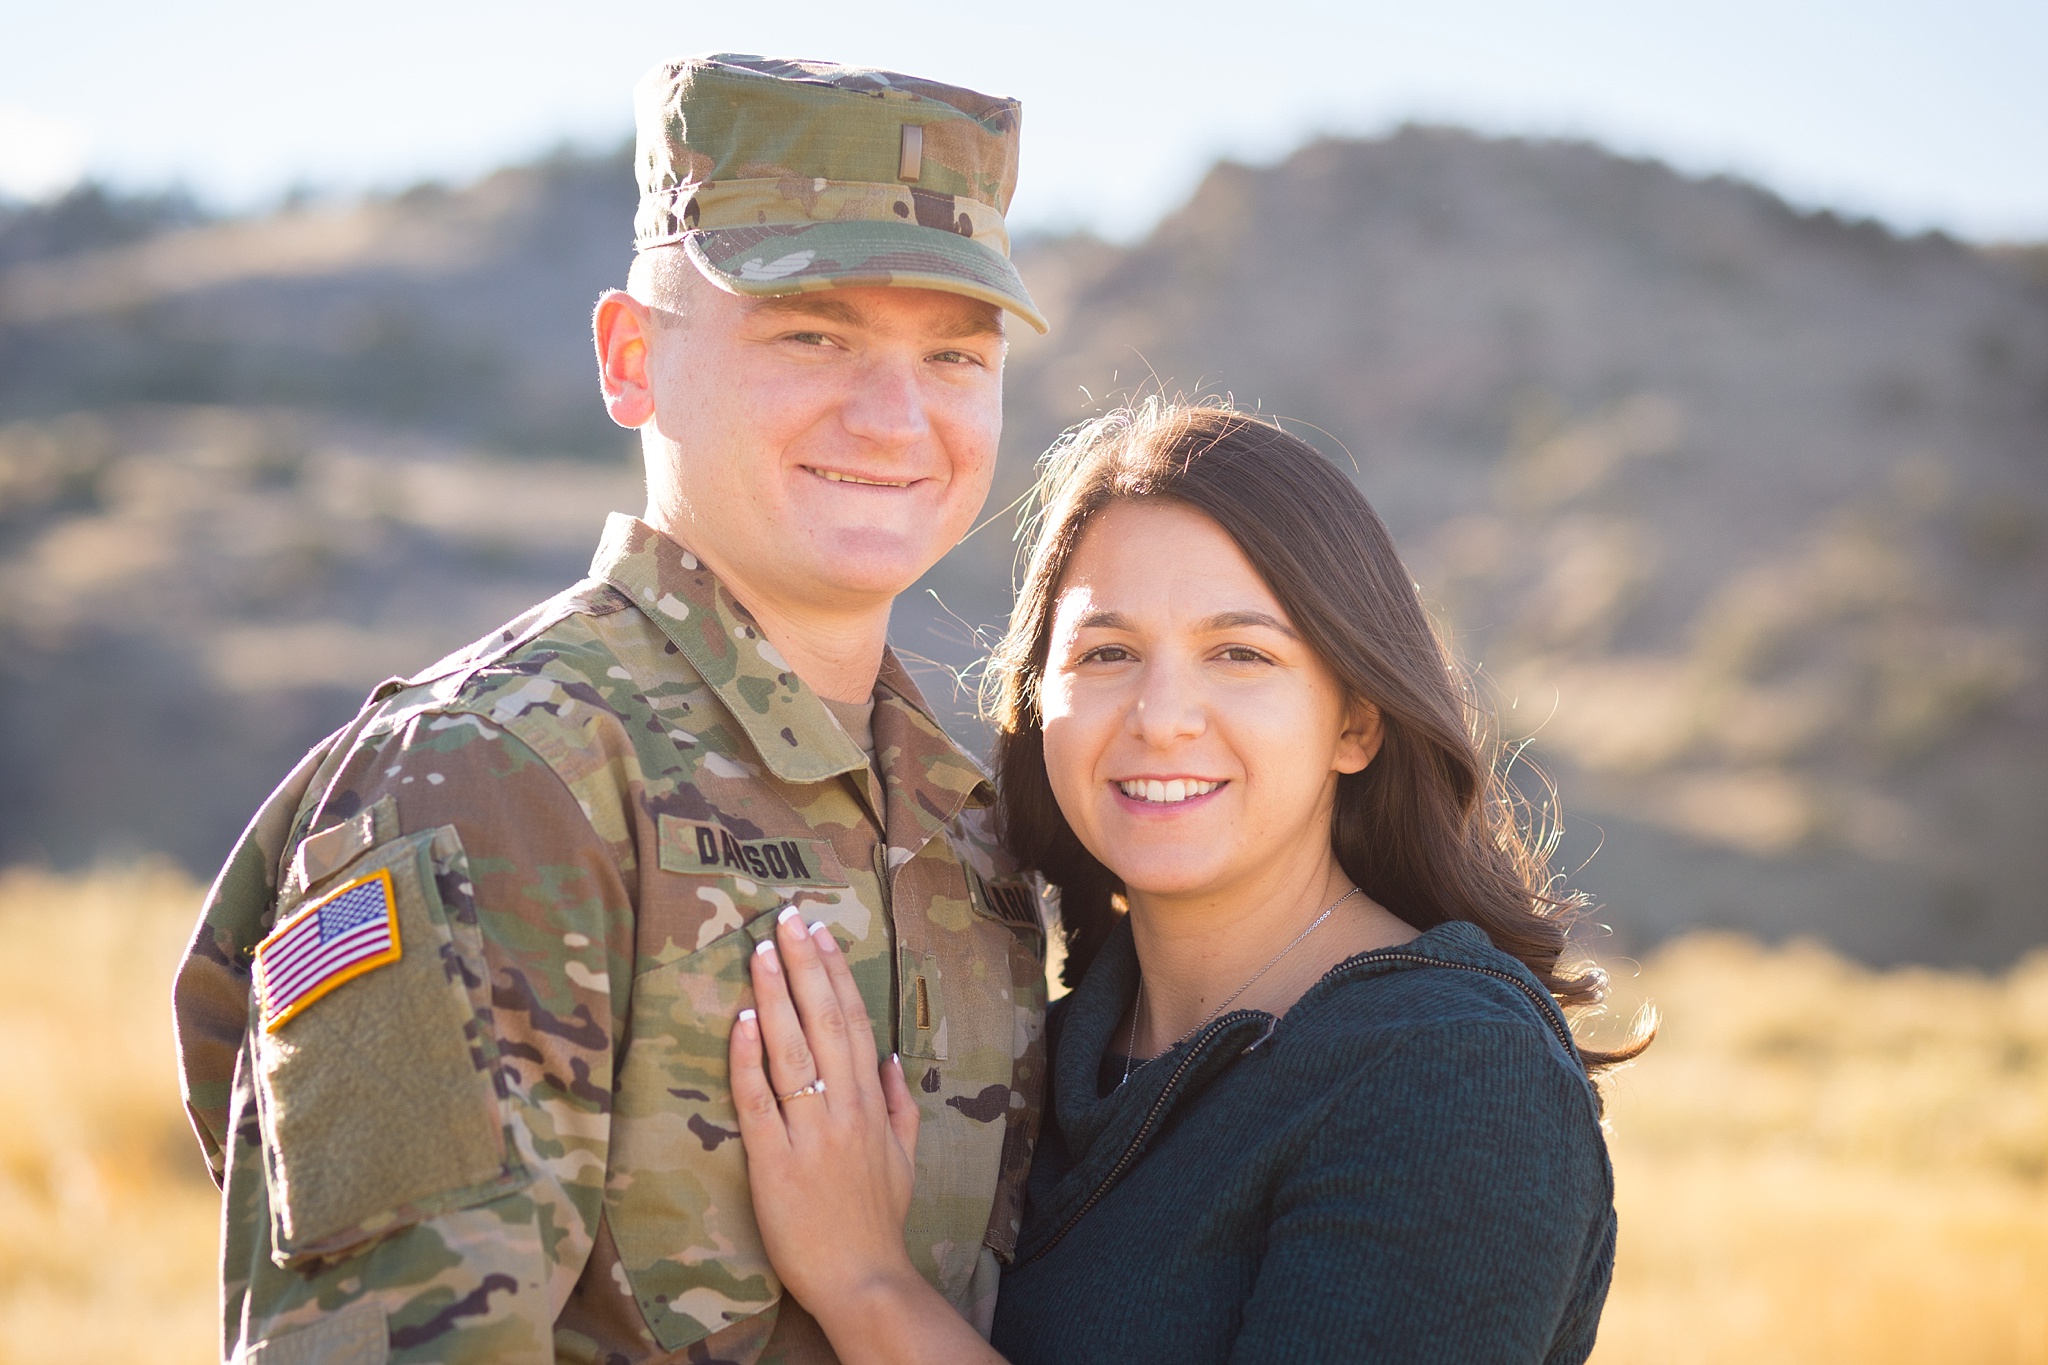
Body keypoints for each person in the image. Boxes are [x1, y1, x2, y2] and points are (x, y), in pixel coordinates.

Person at [171, 54, 1052, 1364]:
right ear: (631, 358)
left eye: (953, 353)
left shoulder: (968, 826)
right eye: (812, 333)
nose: (893, 416)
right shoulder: (493, 778)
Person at [727, 402, 1651, 1364]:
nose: (1161, 717)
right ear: (1041, 703)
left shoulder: (1454, 1073)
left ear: (1356, 724)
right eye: (1107, 653)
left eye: (1240, 653)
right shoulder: (1037, 1051)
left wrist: (866, 1284)